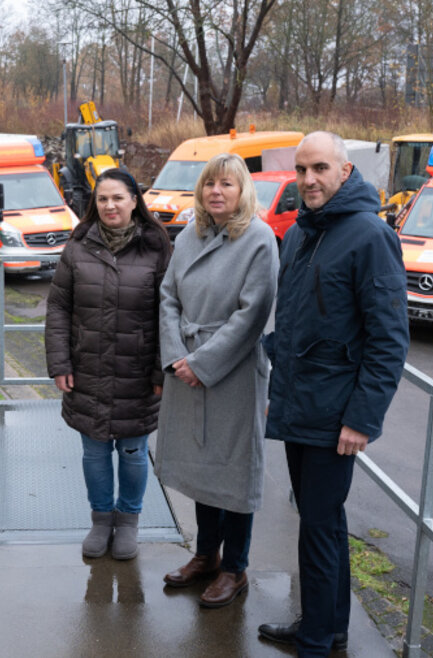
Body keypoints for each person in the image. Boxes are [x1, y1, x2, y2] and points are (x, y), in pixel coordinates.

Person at [258, 131, 410, 656]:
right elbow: (297, 325)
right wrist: (280, 391)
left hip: (335, 414)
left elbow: (389, 339)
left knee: (317, 527)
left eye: (319, 168)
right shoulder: (302, 232)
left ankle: (316, 639)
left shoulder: (369, 235)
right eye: (301, 170)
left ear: (345, 171)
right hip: (302, 403)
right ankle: (332, 624)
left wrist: (363, 418)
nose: (308, 180)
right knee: (322, 518)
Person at [155, 152, 278, 608]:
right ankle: (206, 554)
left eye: (226, 184)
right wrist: (177, 357)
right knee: (201, 465)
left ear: (242, 190)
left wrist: (203, 363)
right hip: (185, 366)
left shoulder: (260, 239)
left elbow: (252, 316)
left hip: (233, 373)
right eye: (210, 184)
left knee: (235, 468)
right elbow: (167, 296)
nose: (216, 192)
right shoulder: (190, 234)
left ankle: (235, 568)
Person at [45, 168, 173, 561]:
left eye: (118, 197)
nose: (110, 205)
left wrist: (159, 371)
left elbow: (169, 314)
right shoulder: (77, 247)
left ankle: (129, 521)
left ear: (135, 200)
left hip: (137, 374)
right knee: (95, 452)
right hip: (89, 370)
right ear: (93, 203)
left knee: (134, 452)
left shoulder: (157, 248)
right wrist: (59, 362)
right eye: (102, 199)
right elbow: (59, 308)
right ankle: (101, 520)